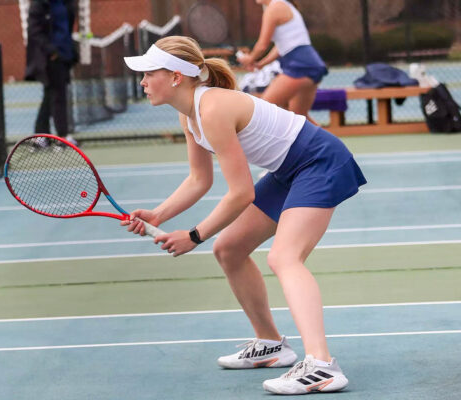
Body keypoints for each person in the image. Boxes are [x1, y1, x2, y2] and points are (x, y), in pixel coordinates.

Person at [121, 36, 366, 395]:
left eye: (149, 73)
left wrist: (192, 235)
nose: (142, 82)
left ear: (176, 77)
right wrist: (157, 214)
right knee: (230, 249)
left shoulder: (213, 108)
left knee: (285, 257)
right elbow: (198, 180)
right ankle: (271, 343)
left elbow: (241, 193)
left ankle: (321, 365)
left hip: (319, 162)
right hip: (289, 170)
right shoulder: (189, 113)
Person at [237, 0, 327, 124]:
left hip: (300, 66)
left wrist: (249, 58)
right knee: (300, 118)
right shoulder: (282, 5)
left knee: (262, 110)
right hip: (311, 65)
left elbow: (262, 45)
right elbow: (280, 47)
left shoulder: (274, 8)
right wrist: (261, 64)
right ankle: (332, 144)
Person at [25, 0, 79, 146]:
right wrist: (51, 51)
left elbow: (67, 27)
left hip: (65, 55)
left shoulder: (65, 4)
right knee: (58, 95)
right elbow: (34, 31)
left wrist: (71, 51)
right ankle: (62, 136)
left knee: (51, 94)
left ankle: (41, 135)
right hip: (49, 59)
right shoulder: (39, 5)